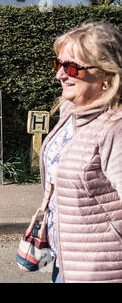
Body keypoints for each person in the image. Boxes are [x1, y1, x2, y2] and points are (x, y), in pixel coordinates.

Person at [40, 21, 122, 283]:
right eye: (58, 64)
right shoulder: (70, 112)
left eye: (71, 67)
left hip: (98, 272)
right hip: (64, 262)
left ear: (106, 74)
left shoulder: (115, 128)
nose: (60, 75)